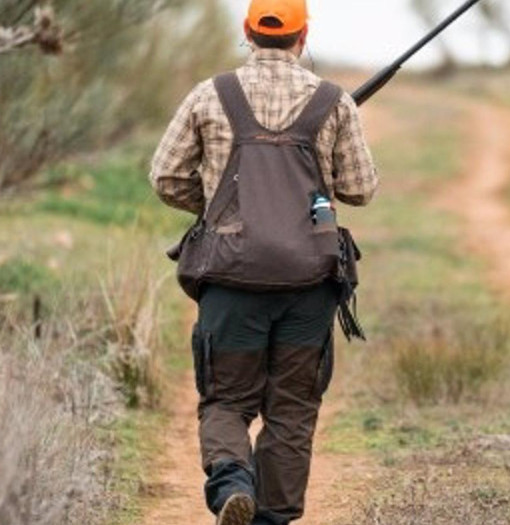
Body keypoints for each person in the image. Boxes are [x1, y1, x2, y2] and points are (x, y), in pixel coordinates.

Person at [148, 1, 378, 523]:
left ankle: (232, 481)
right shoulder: (334, 101)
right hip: (309, 282)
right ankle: (271, 518)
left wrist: (217, 207)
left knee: (228, 399)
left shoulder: (211, 94)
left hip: (231, 280)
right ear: (303, 37)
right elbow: (361, 190)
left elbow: (165, 177)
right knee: (292, 409)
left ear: (247, 33)